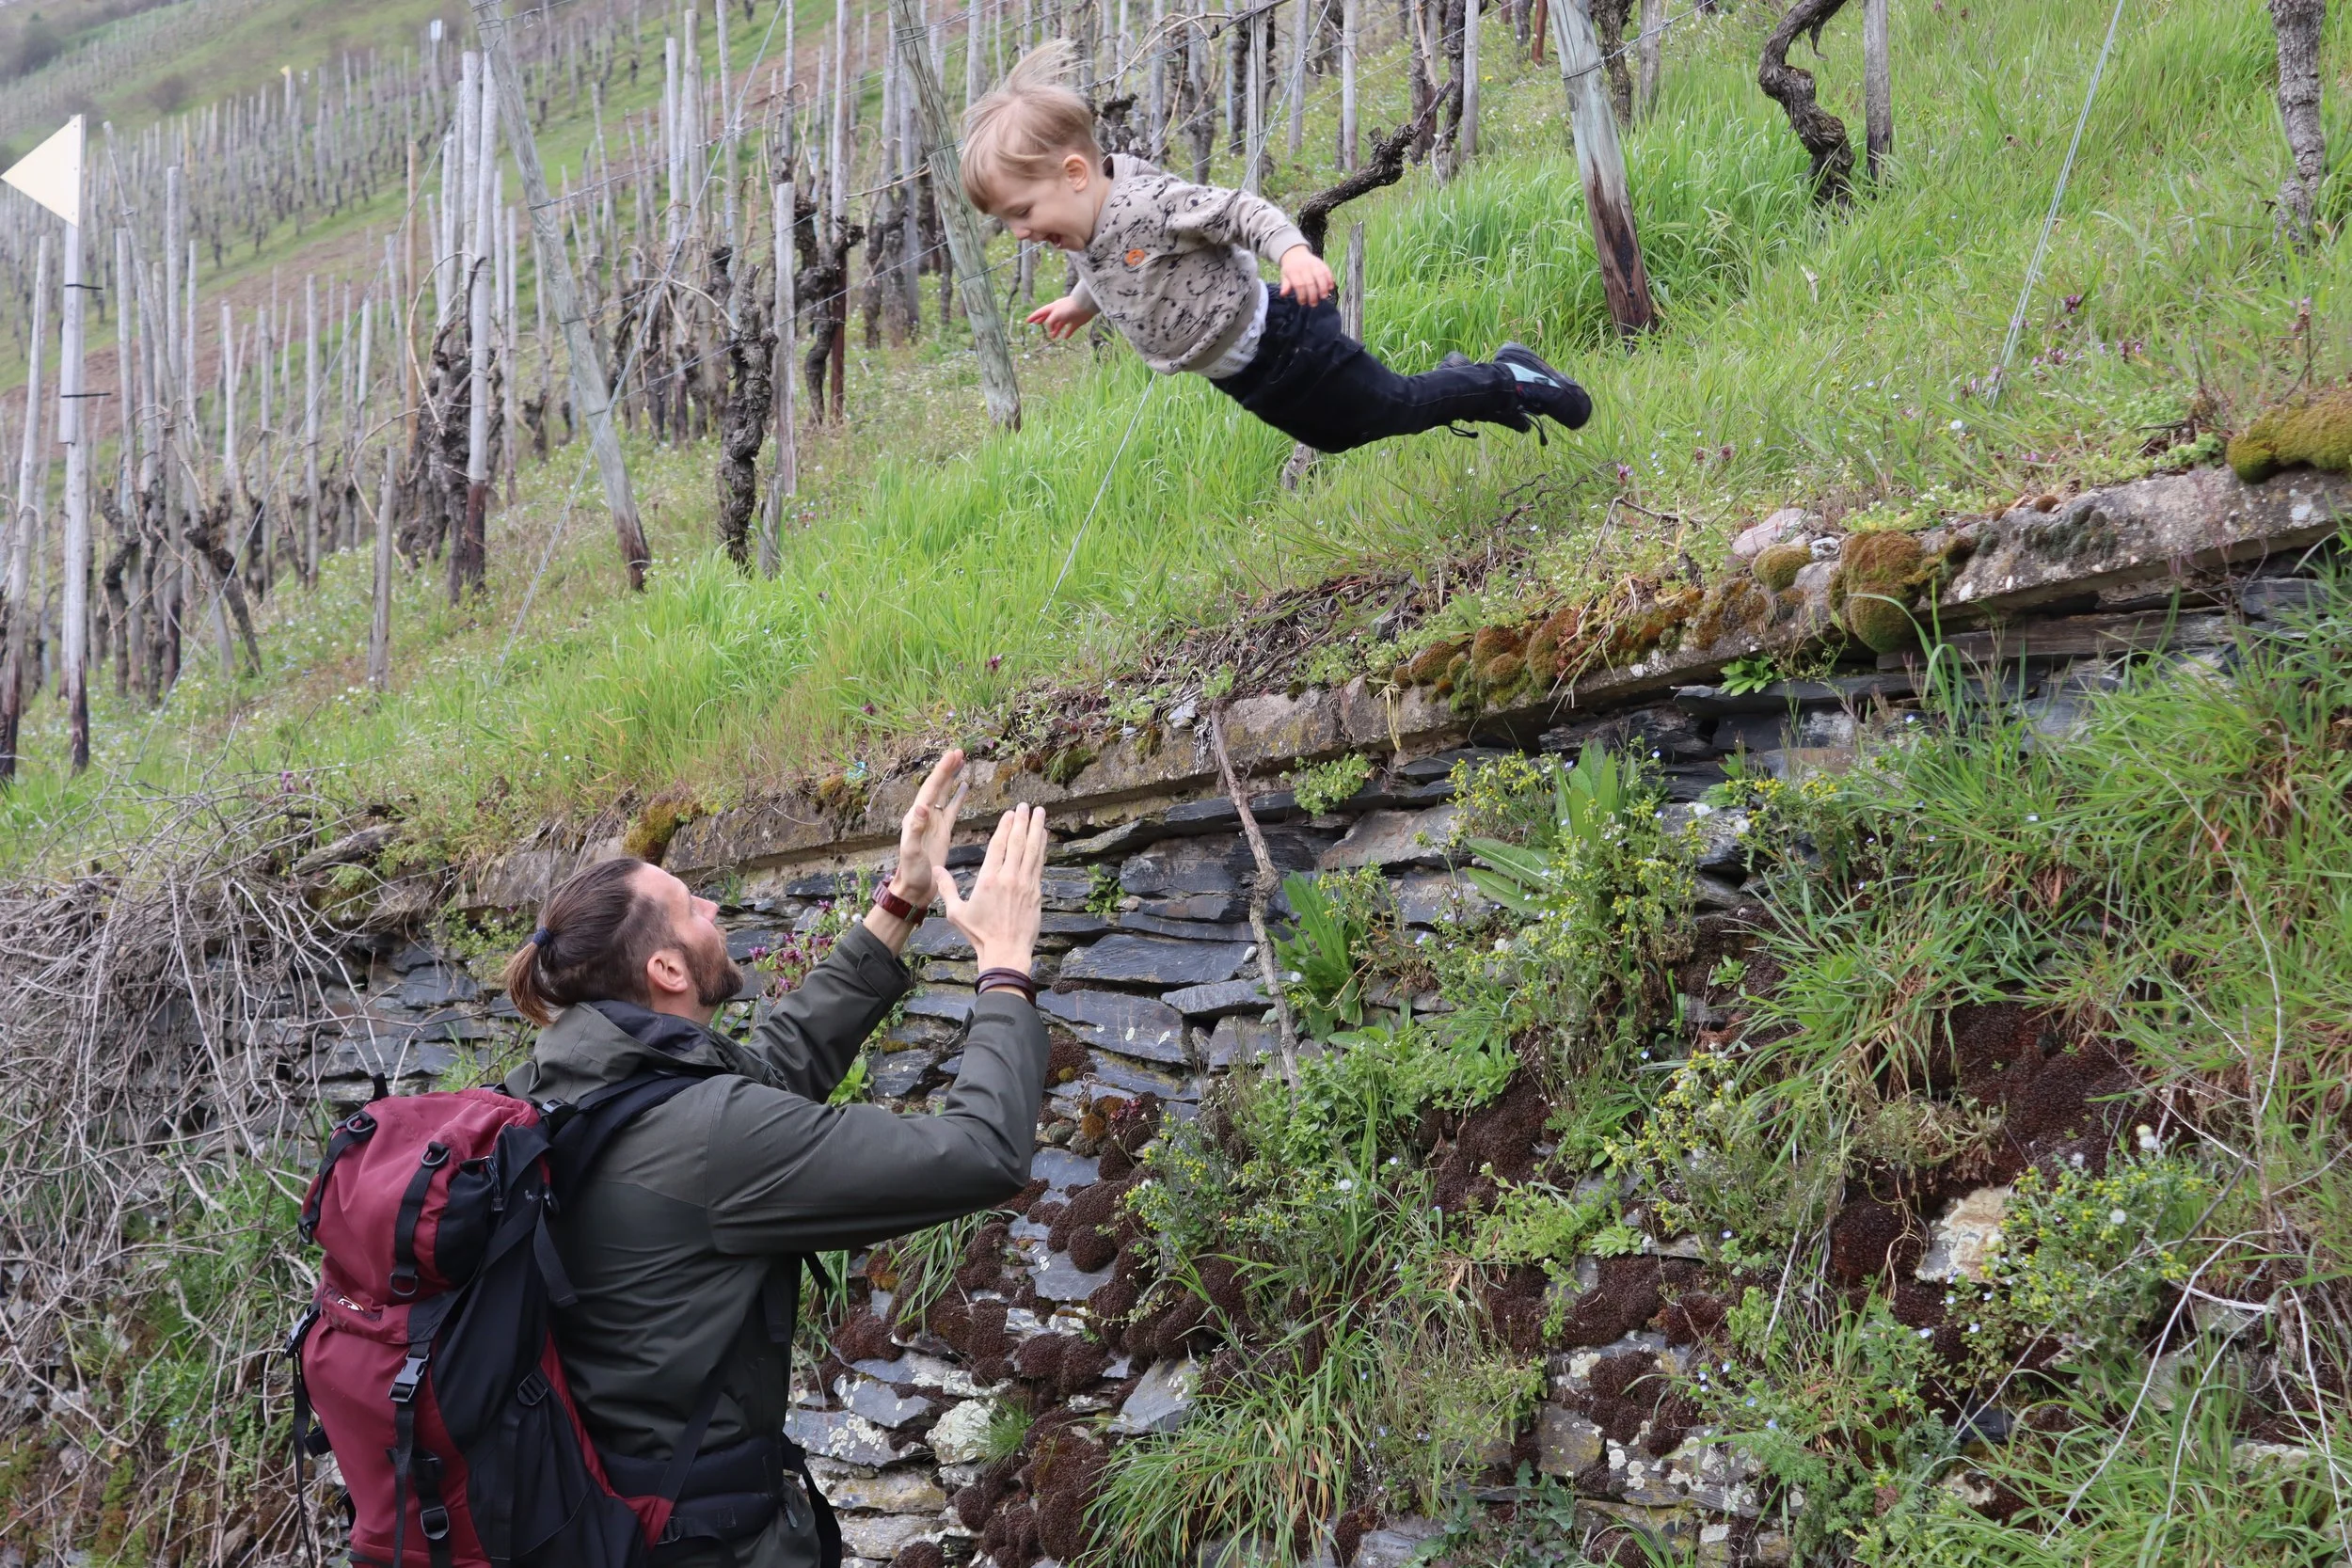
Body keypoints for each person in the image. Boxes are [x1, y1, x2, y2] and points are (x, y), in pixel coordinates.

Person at [498, 751, 1048, 1568]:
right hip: (700, 1541)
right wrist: (1005, 968)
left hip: (602, 1519)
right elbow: (981, 1150)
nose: (713, 905)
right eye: (691, 907)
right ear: (667, 968)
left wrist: (901, 899)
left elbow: (765, 1074)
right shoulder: (705, 1138)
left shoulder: (557, 1085)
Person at [959, 41, 1593, 455]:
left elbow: (1241, 210)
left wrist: (1291, 252)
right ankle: (1472, 380)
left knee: (1392, 405)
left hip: (1284, 336)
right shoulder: (1084, 224)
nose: (1020, 231)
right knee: (1343, 434)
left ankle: (1512, 380)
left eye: (1022, 211)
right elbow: (1116, 270)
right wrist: (1079, 304)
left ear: (1073, 174)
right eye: (1007, 219)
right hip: (1243, 373)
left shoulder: (1147, 206)